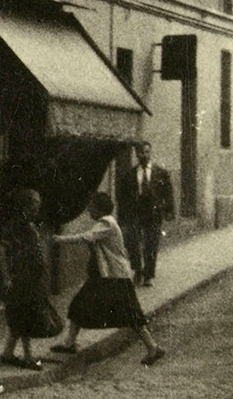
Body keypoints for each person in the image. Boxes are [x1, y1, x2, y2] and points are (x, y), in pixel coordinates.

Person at [47, 191, 165, 365]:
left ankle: (153, 347)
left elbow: (86, 237)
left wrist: (59, 240)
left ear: (100, 209)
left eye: (91, 208)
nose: (89, 211)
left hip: (115, 276)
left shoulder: (107, 223)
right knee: (80, 305)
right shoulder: (106, 223)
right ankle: (69, 343)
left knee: (131, 314)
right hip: (106, 276)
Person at [0, 188, 58, 371]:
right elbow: (1, 251)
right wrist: (6, 277)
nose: (36, 211)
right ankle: (28, 356)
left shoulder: (30, 225)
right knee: (24, 315)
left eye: (37, 207)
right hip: (20, 277)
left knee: (20, 317)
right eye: (32, 207)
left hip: (32, 278)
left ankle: (8, 353)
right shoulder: (14, 226)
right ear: (23, 207)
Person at [115, 141, 175, 287]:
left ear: (150, 152)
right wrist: (122, 215)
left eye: (147, 152)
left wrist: (168, 211)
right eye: (141, 152)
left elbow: (168, 193)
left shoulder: (160, 172)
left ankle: (148, 275)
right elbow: (122, 196)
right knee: (132, 242)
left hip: (153, 213)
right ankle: (137, 270)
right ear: (136, 154)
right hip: (136, 212)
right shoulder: (130, 174)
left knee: (151, 244)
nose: (144, 155)